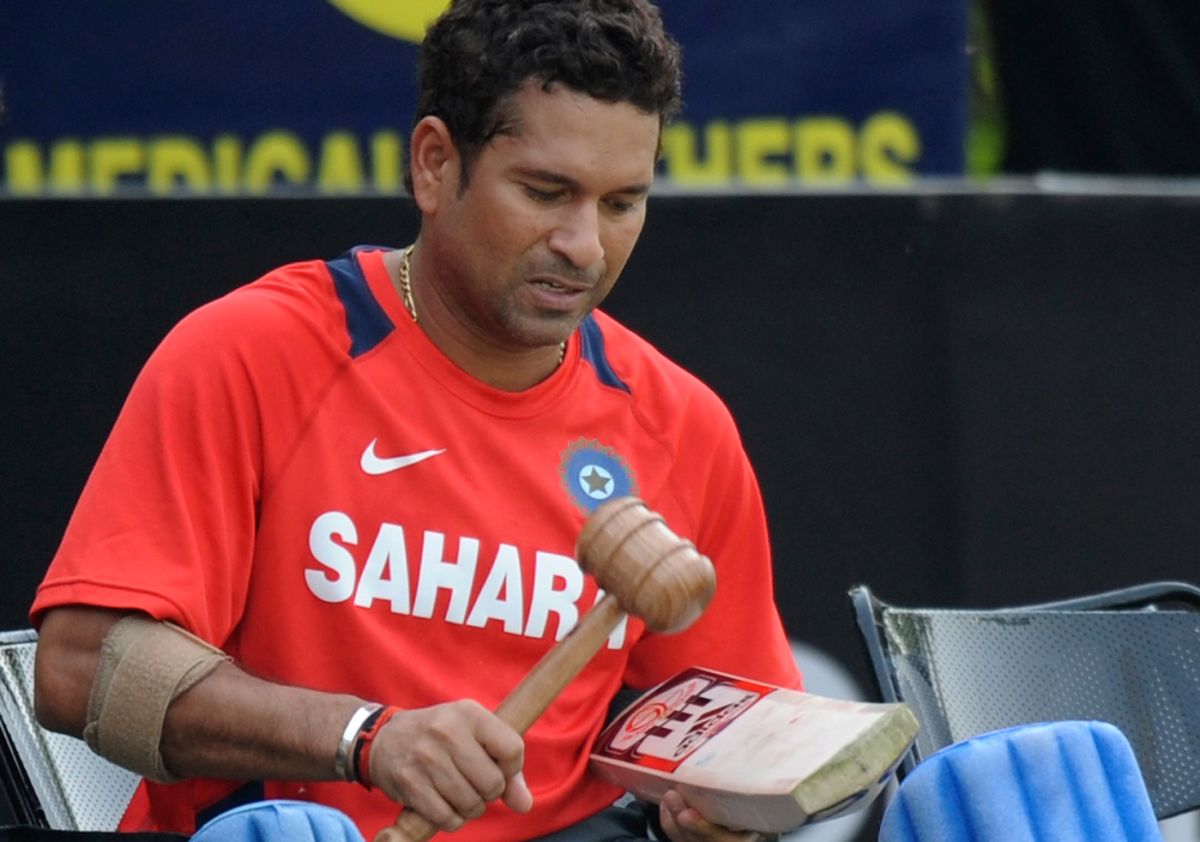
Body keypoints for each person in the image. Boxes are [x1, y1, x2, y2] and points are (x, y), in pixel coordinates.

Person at [30, 1, 802, 840]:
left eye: (622, 203)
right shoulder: (254, 351)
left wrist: (717, 815)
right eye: (546, 193)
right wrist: (364, 738)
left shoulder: (680, 424)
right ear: (435, 165)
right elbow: (81, 671)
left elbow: (741, 740)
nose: (585, 244)